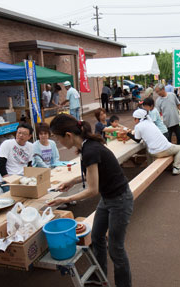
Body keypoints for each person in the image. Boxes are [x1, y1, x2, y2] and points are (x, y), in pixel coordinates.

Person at [47, 114, 133, 287]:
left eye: (57, 138)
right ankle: (99, 278)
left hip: (120, 200)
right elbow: (92, 175)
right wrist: (71, 182)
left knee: (116, 249)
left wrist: (65, 199)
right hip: (108, 198)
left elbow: (92, 190)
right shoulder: (87, 147)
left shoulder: (90, 150)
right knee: (97, 236)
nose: (58, 142)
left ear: (68, 136)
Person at [127, 109, 180, 175]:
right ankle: (176, 168)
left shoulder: (138, 126)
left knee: (148, 146)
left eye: (134, 119)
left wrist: (128, 134)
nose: (134, 121)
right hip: (164, 149)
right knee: (178, 148)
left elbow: (137, 139)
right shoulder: (150, 122)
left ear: (138, 119)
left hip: (154, 153)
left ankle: (150, 166)